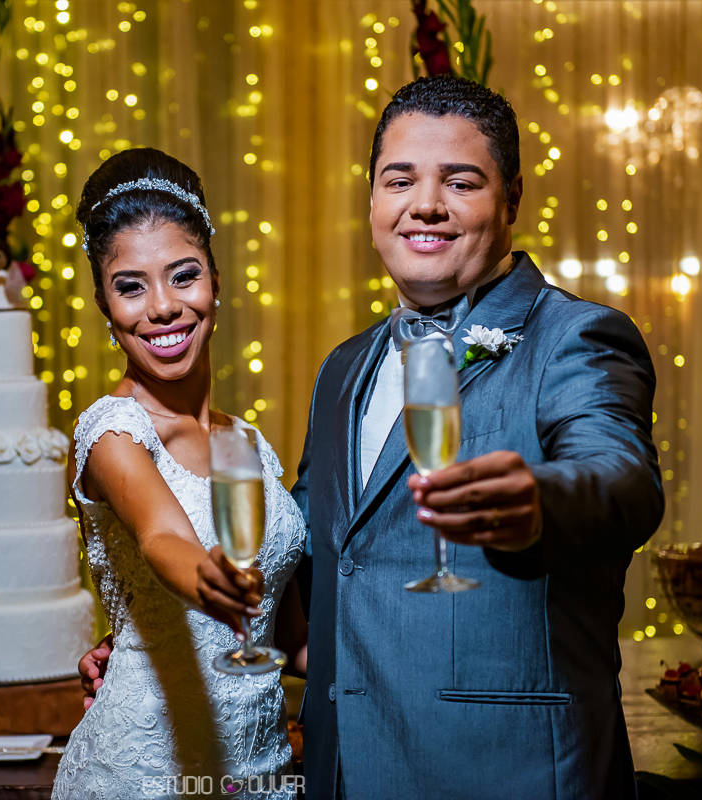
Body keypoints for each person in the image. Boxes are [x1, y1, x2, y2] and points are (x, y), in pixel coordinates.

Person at [81, 75, 663, 800]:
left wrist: (540, 501)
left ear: (511, 197)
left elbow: (622, 477)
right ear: (374, 200)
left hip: (507, 773)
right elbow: (310, 561)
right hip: (344, 772)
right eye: (400, 180)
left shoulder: (574, 337)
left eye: (460, 182)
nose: (426, 204)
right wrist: (161, 633)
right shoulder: (344, 369)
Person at [51, 148, 309, 800]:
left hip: (265, 772)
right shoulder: (113, 432)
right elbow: (162, 536)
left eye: (183, 276)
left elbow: (292, 640)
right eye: (130, 286)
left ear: (215, 280)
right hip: (144, 773)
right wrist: (206, 577)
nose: (162, 307)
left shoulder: (250, 444)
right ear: (104, 303)